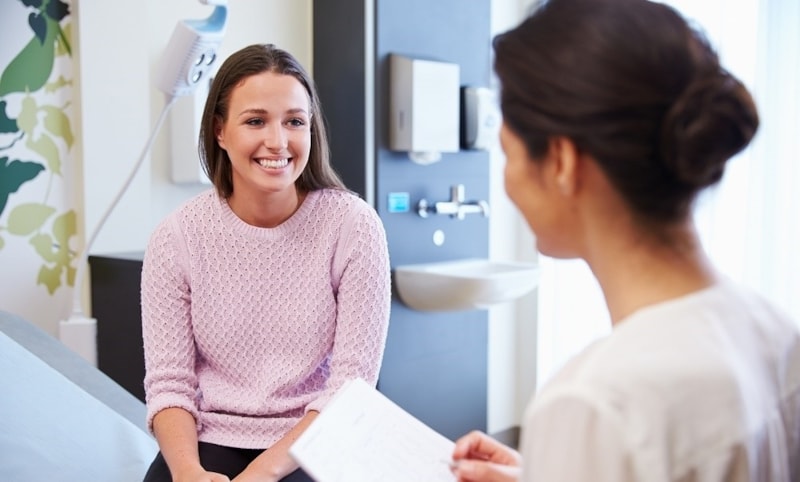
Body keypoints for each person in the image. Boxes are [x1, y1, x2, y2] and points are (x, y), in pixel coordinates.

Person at [450, 0, 800, 481]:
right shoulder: (772, 330)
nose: (506, 183)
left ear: (561, 162)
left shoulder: (596, 402)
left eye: (507, 154)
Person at [140, 43, 391, 482]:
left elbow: (351, 387)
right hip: (210, 435)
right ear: (220, 131)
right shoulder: (176, 237)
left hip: (318, 433)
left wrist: (263, 473)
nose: (277, 141)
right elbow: (169, 384)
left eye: (294, 121)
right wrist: (187, 473)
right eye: (256, 121)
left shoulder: (353, 226)